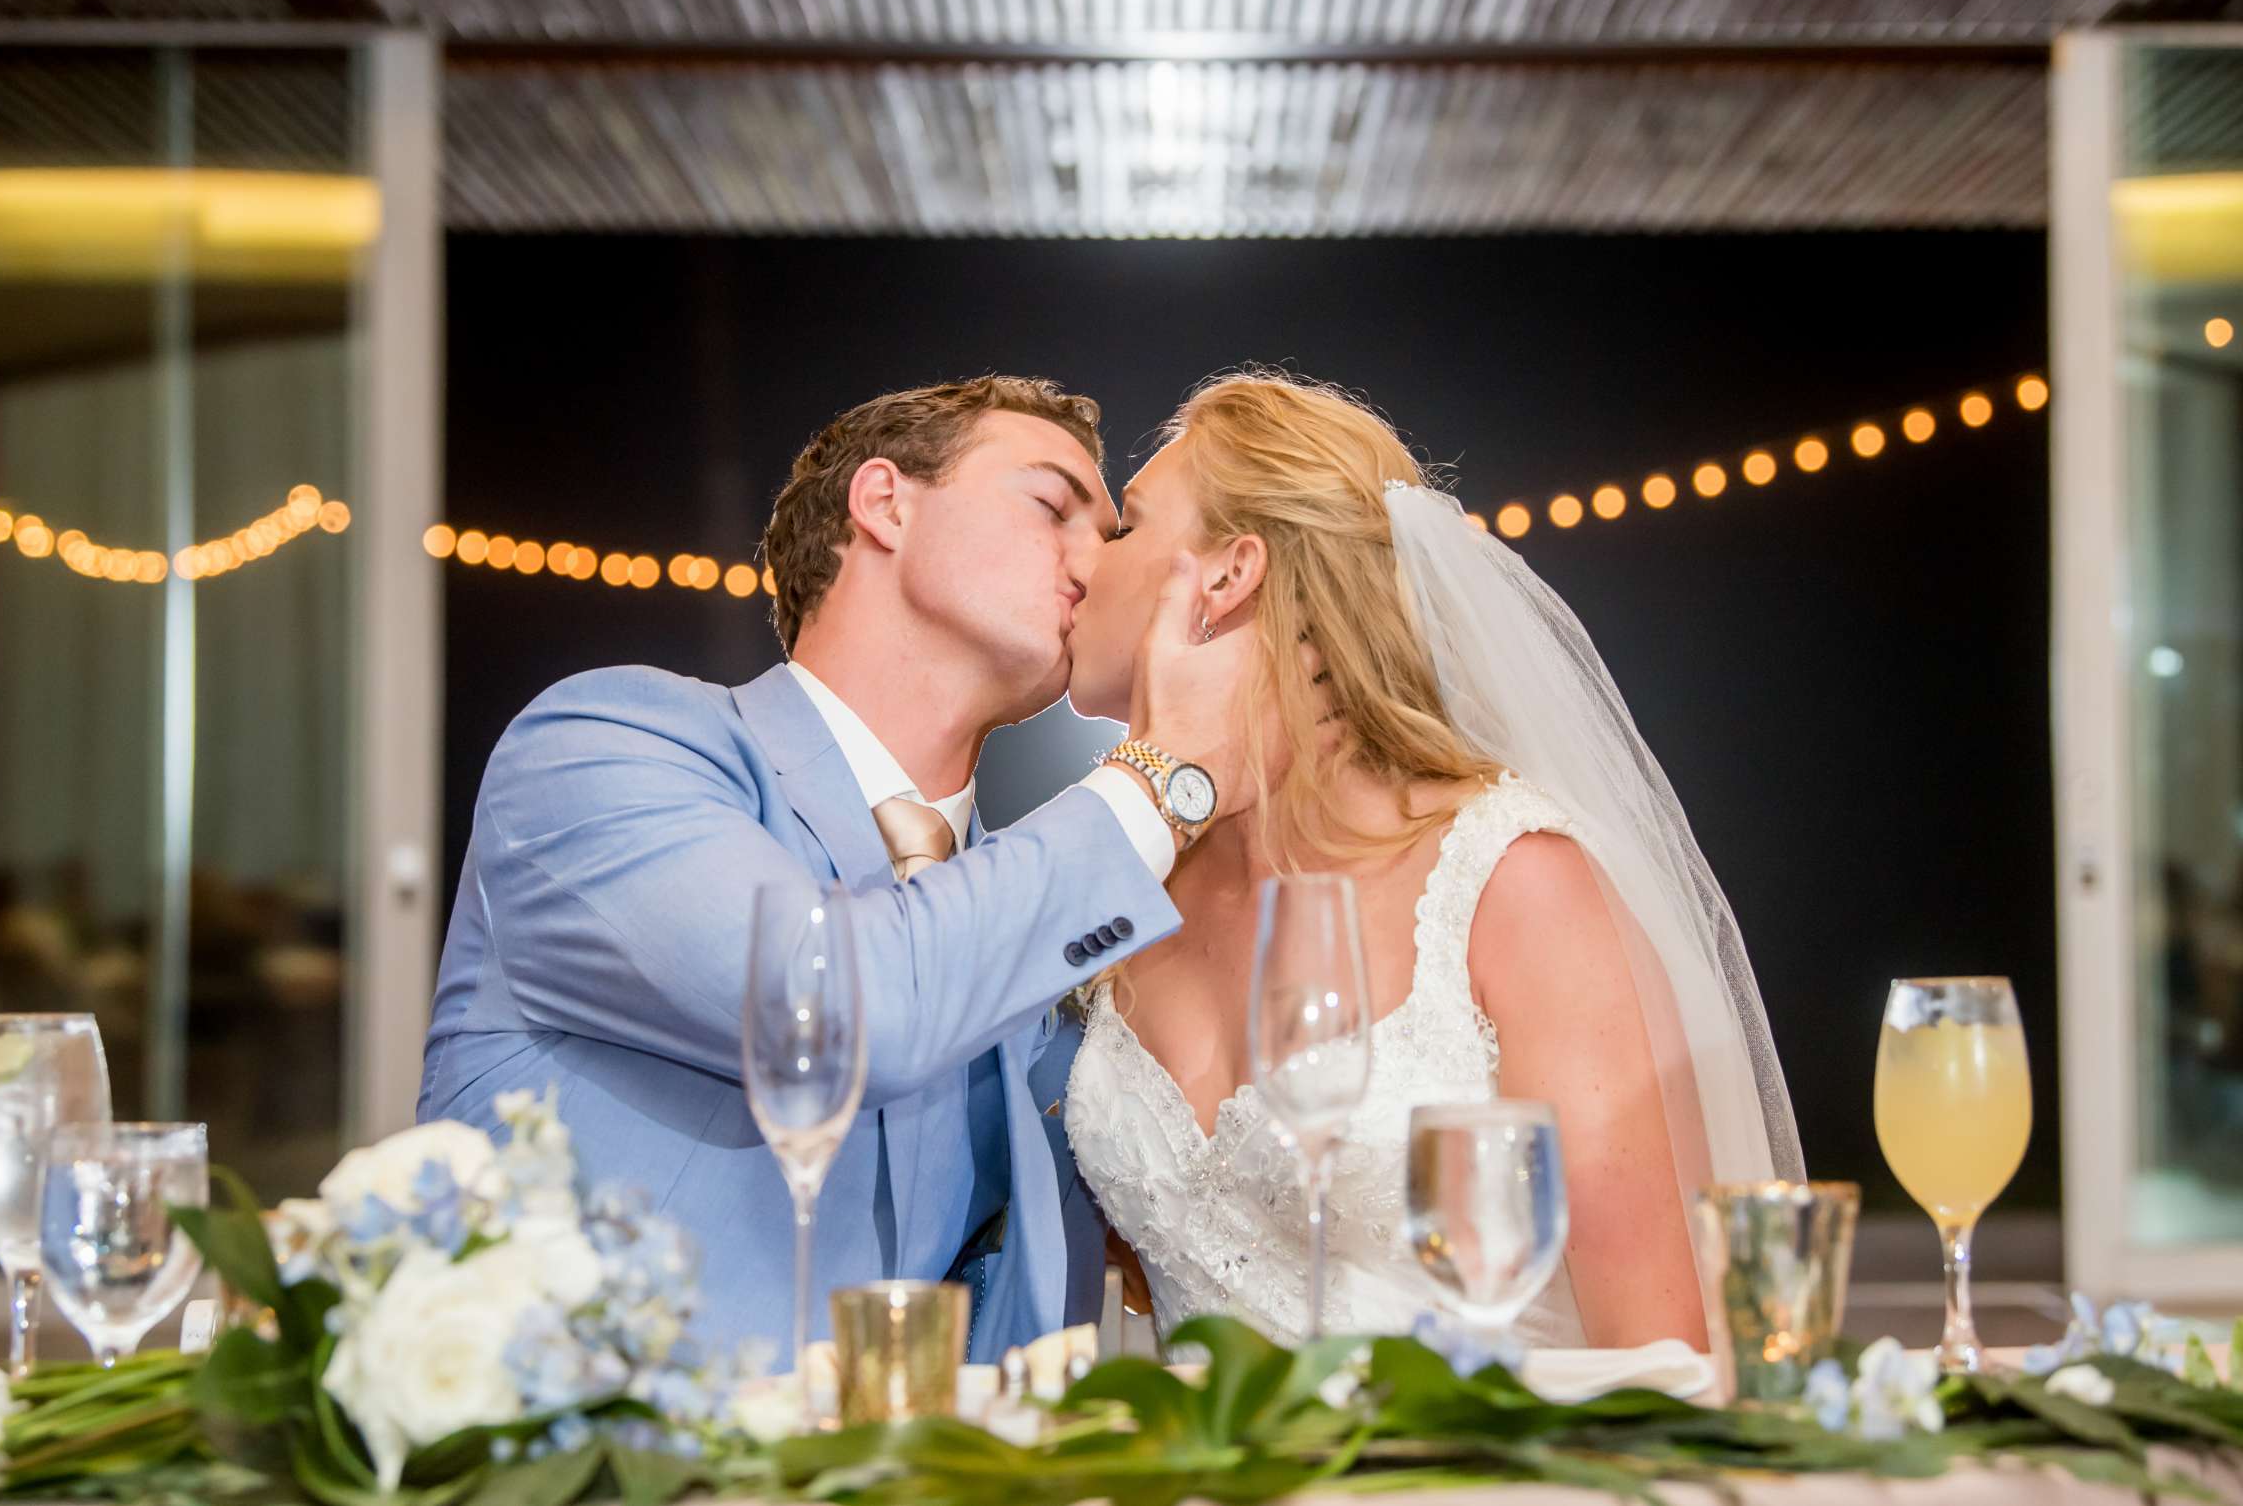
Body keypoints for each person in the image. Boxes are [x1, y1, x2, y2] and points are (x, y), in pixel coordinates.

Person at [418, 375, 1258, 1361]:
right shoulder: (603, 745)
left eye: (1110, 534)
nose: (1094, 561)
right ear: (885, 503)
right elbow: (841, 1007)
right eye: (1051, 506)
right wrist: (1161, 780)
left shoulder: (1037, 921)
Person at [1061, 371, 1801, 1350]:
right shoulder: (1123, 890)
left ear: (1228, 577)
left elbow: (1670, 1348)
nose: (1081, 559)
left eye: (1124, 527)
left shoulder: (1513, 883)